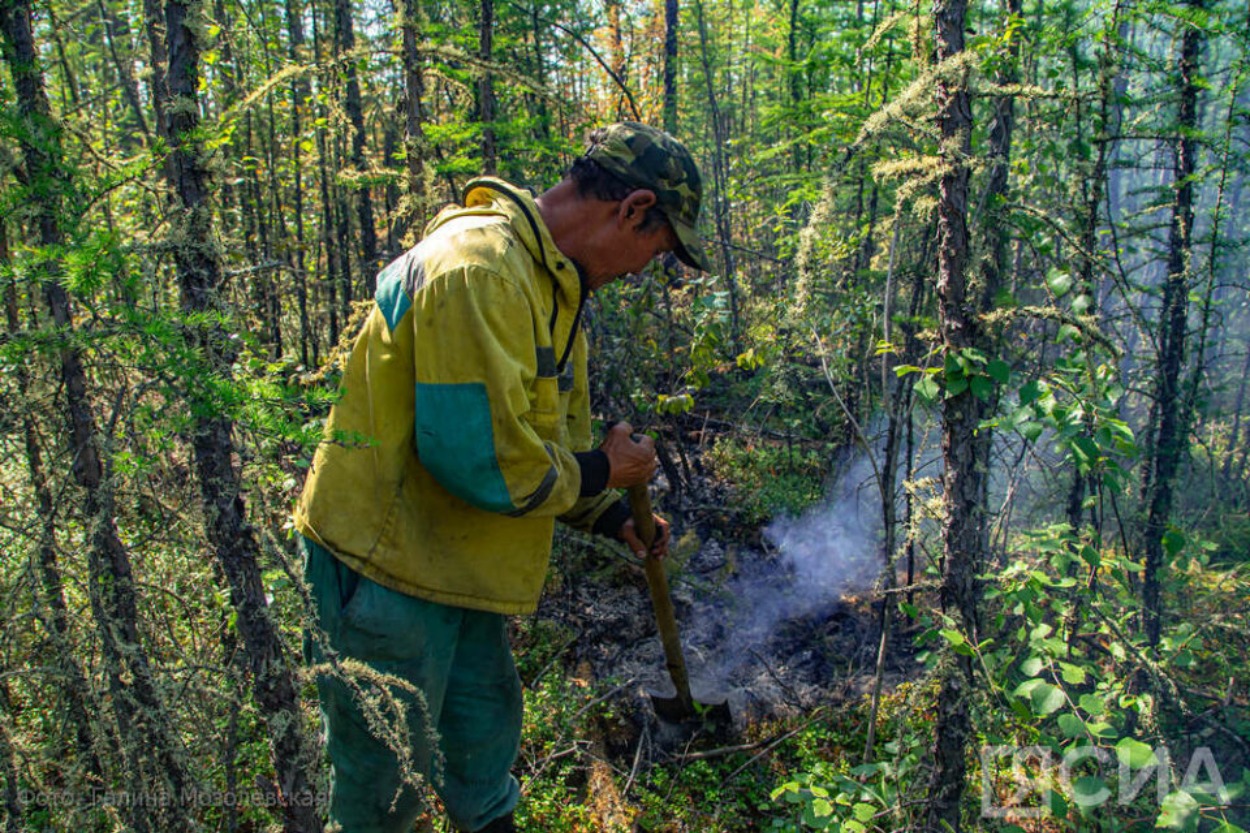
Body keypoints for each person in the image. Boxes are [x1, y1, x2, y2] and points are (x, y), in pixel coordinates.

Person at [295, 122, 708, 833]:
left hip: (460, 568)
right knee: (381, 793)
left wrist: (610, 512)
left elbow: (544, 444)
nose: (646, 268)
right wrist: (609, 467)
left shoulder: (550, 284)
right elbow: (483, 461)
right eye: (658, 247)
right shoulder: (479, 268)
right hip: (385, 573)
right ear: (634, 207)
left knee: (484, 757)